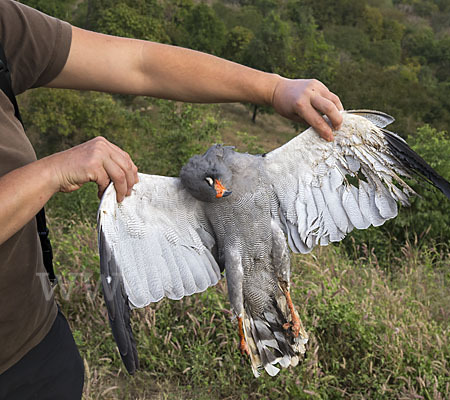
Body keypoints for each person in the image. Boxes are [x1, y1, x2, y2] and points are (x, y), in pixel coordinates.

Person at [0, 1, 344, 398]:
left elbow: (139, 63)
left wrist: (273, 88)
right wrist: (50, 172)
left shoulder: (4, 26)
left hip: (37, 345)